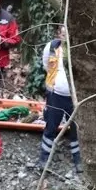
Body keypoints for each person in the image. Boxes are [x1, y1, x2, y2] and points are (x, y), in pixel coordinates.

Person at [38, 27, 82, 174]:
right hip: (55, 94)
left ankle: (78, 159)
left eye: (67, 34)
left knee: (76, 128)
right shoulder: (51, 47)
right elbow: (46, 65)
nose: (65, 37)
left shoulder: (78, 50)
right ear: (59, 34)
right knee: (51, 125)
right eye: (63, 34)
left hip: (74, 97)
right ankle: (44, 158)